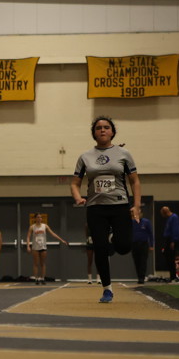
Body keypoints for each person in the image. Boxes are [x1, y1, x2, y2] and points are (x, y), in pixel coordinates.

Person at [70, 116, 141, 303]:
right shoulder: (85, 157)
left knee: (124, 247)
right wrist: (77, 197)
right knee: (99, 249)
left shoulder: (124, 154)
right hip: (96, 208)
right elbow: (75, 183)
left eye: (106, 127)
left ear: (112, 132)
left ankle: (112, 237)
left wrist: (136, 205)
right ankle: (107, 289)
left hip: (119, 205)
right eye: (98, 128)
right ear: (94, 133)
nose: (102, 130)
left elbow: (135, 181)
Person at [26, 213, 66, 285]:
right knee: (36, 263)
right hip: (35, 247)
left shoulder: (45, 226)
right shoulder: (32, 227)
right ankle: (36, 278)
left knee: (43, 263)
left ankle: (42, 278)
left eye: (40, 217)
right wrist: (28, 246)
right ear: (35, 218)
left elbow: (52, 233)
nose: (39, 219)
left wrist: (61, 240)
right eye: (38, 217)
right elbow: (28, 236)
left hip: (43, 247)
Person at [160, 206, 179, 282]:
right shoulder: (169, 218)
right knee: (168, 258)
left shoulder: (174, 217)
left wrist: (173, 241)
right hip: (169, 239)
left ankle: (173, 277)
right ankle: (172, 276)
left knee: (171, 258)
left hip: (172, 240)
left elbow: (175, 229)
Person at [131, 211, 154, 284]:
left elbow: (150, 234)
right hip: (134, 244)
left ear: (142, 214)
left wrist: (151, 245)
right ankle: (139, 277)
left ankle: (142, 278)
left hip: (144, 244)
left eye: (139, 213)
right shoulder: (132, 222)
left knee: (143, 261)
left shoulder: (146, 222)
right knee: (137, 261)